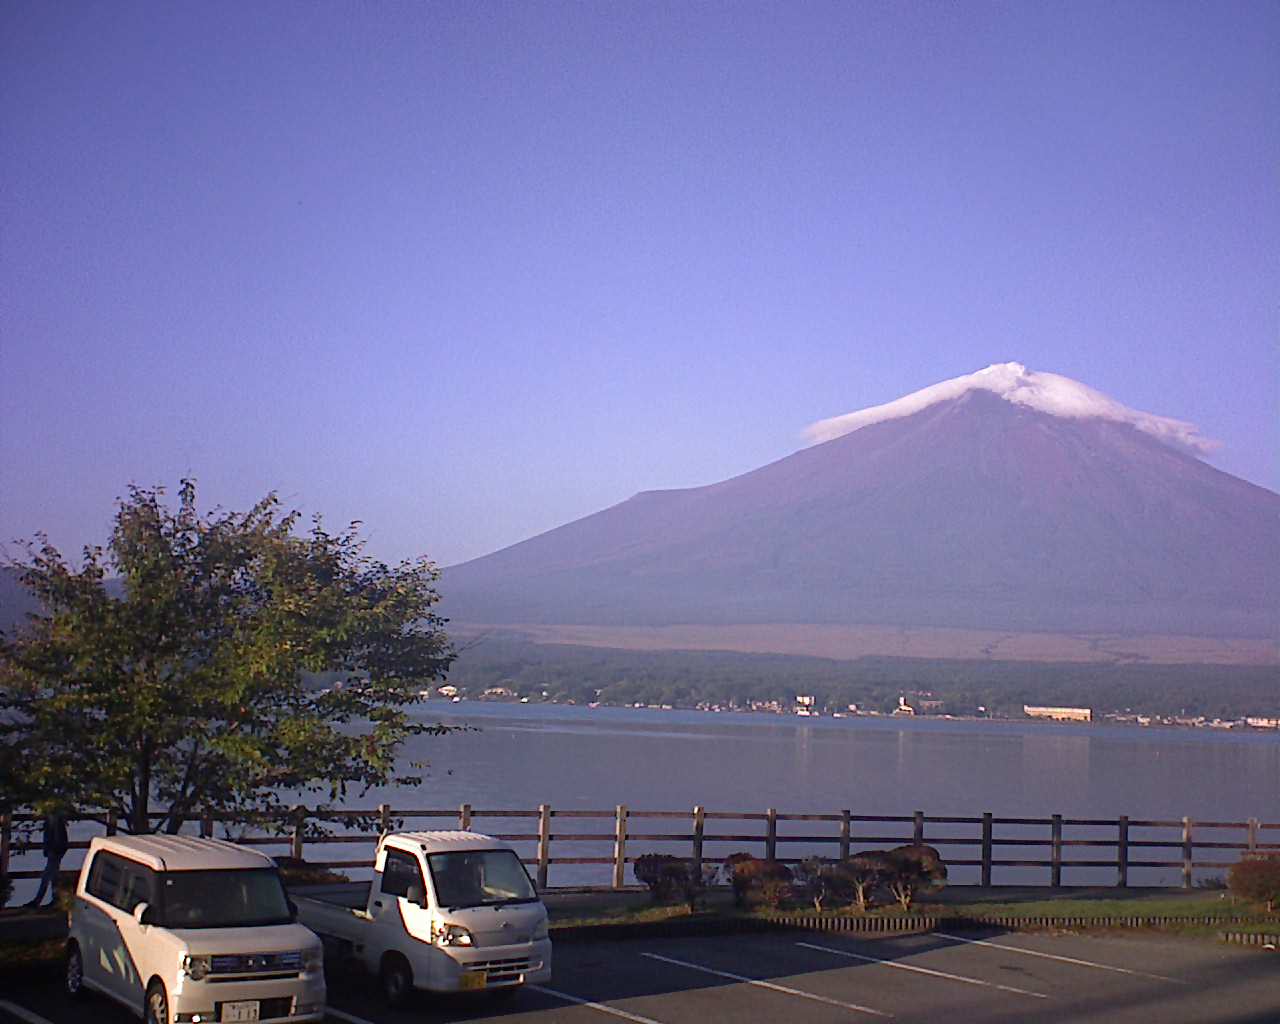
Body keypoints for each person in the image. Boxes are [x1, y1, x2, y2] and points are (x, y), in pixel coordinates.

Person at [26, 810, 69, 909]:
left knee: (46, 877)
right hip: (55, 851)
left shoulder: (54, 819)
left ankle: (38, 901)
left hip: (54, 851)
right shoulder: (55, 819)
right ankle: (55, 900)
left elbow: (56, 836)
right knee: (54, 876)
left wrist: (52, 849)